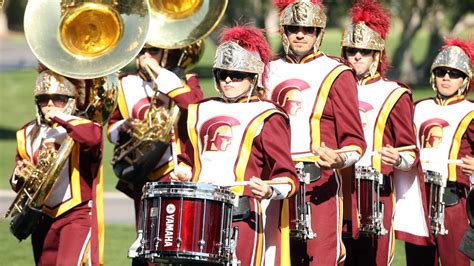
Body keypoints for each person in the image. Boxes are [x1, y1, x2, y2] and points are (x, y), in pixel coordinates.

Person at [171, 25, 299, 265]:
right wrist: (184, 170)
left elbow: (288, 177)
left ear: (253, 78)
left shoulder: (267, 114)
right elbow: (191, 158)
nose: (228, 80)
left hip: (243, 214)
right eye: (222, 74)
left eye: (237, 74)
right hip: (199, 211)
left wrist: (270, 190)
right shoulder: (202, 109)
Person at [267, 0, 367, 264]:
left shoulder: (337, 72)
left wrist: (338, 159)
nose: (300, 34)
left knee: (321, 258)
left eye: (308, 29)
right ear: (284, 31)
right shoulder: (267, 70)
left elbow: (355, 142)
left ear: (319, 33)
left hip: (318, 182)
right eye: (293, 28)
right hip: (275, 184)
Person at [339, 0, 432, 265]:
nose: (357, 56)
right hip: (338, 190)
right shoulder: (333, 87)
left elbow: (410, 153)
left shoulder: (394, 93)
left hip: (376, 191)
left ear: (377, 56)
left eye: (365, 51)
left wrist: (397, 158)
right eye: (352, 50)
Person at [9, 68, 104, 265]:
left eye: (58, 98)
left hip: (76, 213)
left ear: (71, 100)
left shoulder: (83, 126)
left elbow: (93, 139)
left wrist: (60, 118)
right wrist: (20, 175)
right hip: (41, 217)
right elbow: (17, 181)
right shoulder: (26, 133)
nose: (50, 104)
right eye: (44, 99)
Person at [107, 41, 203, 228]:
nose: (146, 56)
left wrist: (159, 71)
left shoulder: (185, 79)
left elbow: (194, 106)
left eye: (154, 50)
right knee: (144, 236)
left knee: (170, 233)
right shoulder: (123, 83)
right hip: (141, 167)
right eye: (141, 50)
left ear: (165, 52)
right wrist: (123, 127)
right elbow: (111, 129)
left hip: (172, 169)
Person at [405, 38, 474, 266]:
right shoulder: (417, 107)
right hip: (418, 200)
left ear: (465, 80)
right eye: (442, 72)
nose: (446, 78)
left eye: (454, 74)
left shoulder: (471, 112)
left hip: (454, 201)